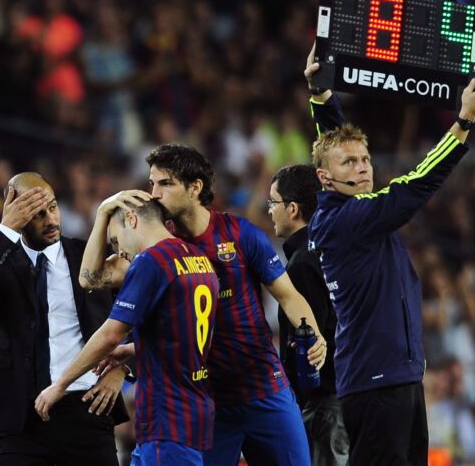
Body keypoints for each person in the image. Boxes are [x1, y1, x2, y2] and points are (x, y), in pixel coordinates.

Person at [304, 48, 475, 465]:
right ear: (326, 178)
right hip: (374, 385)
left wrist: (322, 99)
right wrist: (464, 123)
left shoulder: (347, 204)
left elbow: (334, 148)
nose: (364, 167)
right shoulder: (348, 220)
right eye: (351, 163)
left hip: (399, 377)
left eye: (366, 159)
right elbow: (415, 186)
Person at [79, 149, 327, 466]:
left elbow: (288, 296)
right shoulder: (157, 248)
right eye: (152, 183)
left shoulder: (238, 234)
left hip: (265, 390)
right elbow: (91, 278)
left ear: (195, 188)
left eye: (164, 184)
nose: (153, 193)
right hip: (210, 403)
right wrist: (103, 214)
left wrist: (315, 334)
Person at [0, 172, 130, 465]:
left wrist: (121, 368)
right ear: (15, 213)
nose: (50, 220)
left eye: (52, 207)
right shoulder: (2, 258)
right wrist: (5, 230)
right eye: (37, 214)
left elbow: (140, 313)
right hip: (20, 418)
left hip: (87, 407)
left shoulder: (89, 258)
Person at [34, 198, 219, 465]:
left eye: (117, 241)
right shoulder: (197, 258)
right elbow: (193, 335)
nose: (120, 253)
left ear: (131, 220)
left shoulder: (151, 261)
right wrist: (133, 349)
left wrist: (61, 384)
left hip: (166, 416)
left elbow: (110, 333)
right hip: (193, 409)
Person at [267, 164, 348, 466]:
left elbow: (310, 343)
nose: (270, 212)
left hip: (323, 403)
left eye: (273, 203)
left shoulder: (301, 265)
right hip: (344, 393)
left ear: (292, 208)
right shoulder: (332, 252)